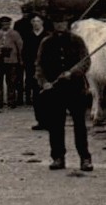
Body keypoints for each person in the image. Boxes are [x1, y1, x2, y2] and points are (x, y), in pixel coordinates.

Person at [35, 14, 94, 172]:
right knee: (55, 125)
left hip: (75, 89)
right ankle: (58, 157)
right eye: (57, 22)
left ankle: (85, 158)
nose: (60, 25)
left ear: (67, 23)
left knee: (80, 126)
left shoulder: (77, 41)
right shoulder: (46, 42)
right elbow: (39, 66)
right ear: (53, 24)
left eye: (63, 22)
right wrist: (44, 82)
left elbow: (86, 62)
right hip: (55, 91)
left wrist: (73, 73)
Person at [0, 16, 24, 110]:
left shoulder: (15, 34)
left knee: (11, 82)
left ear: (10, 24)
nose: (5, 25)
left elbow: (20, 47)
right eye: (3, 23)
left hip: (11, 61)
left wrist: (21, 60)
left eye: (7, 23)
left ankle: (11, 101)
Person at [19, 12, 46, 122]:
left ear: (42, 23)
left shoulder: (47, 36)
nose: (36, 23)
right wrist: (26, 62)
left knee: (45, 92)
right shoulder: (28, 35)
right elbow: (24, 51)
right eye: (34, 21)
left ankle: (47, 119)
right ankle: (39, 120)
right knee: (35, 93)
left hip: (45, 67)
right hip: (31, 66)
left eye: (38, 21)